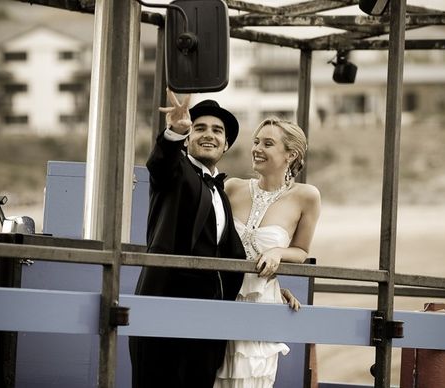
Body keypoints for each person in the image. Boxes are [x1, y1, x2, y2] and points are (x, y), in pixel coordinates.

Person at [129, 89, 247, 388]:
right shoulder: (177, 172)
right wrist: (174, 132)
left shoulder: (221, 191)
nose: (209, 134)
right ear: (188, 138)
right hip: (165, 306)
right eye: (200, 128)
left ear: (226, 144)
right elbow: (159, 163)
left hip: (209, 319)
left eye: (217, 130)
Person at [214, 117, 321, 388]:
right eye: (256, 142)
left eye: (268, 143)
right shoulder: (231, 187)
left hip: (262, 302)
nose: (257, 148)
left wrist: (277, 252)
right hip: (221, 298)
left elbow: (300, 250)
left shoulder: (306, 196)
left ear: (291, 154)